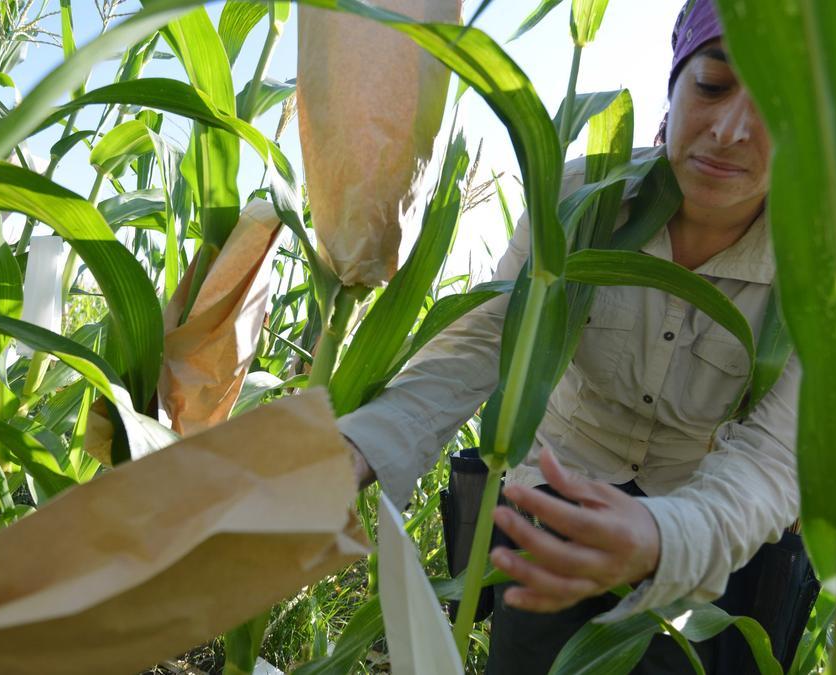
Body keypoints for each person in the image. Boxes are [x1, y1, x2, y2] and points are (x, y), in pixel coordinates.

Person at [337, 0, 802, 672]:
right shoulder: (580, 201)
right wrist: (360, 445)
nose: (731, 130)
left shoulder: (818, 271)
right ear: (672, 85)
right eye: (713, 85)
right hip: (549, 506)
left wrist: (663, 535)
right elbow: (488, 342)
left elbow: (772, 456)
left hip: (703, 523)